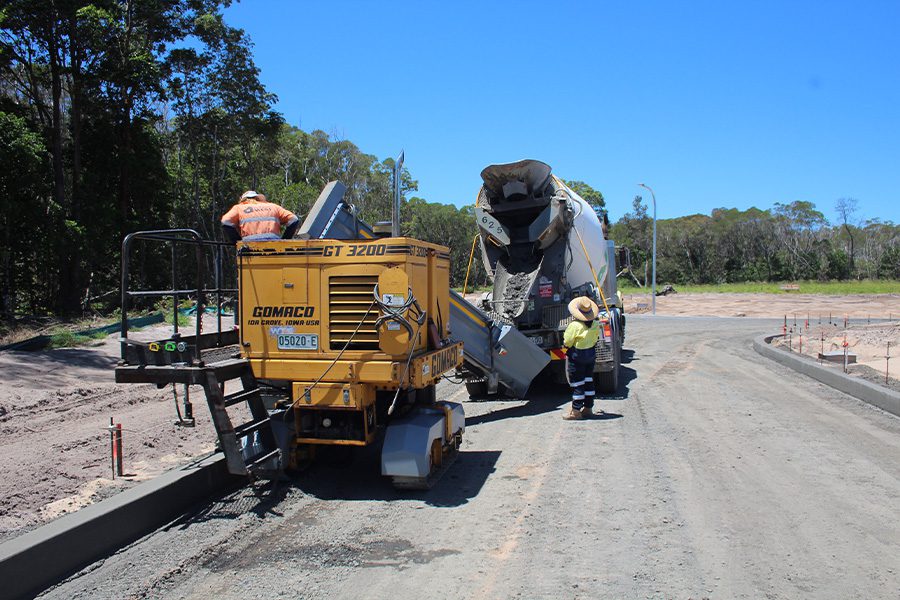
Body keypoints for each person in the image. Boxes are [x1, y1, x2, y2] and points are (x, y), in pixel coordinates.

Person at [562, 296, 601, 420]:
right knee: (589, 381)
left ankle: (575, 411)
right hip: (590, 355)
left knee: (578, 383)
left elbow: (568, 341)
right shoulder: (595, 324)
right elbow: (595, 339)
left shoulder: (574, 326)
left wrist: (566, 346)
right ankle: (588, 408)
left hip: (577, 356)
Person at [221, 190, 299, 243]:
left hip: (249, 247)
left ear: (243, 200)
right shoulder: (273, 207)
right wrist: (284, 241)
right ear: (258, 198)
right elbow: (294, 219)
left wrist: (237, 242)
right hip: (274, 246)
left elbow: (225, 221)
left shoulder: (239, 207)